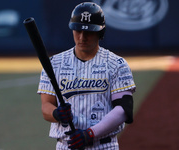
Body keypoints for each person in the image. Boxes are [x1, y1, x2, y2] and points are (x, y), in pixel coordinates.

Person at [37, 2, 136, 150]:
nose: (82, 37)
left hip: (104, 146)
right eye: (78, 30)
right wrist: (56, 113)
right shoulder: (54, 64)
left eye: (89, 32)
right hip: (66, 146)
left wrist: (90, 134)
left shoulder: (117, 64)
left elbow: (123, 109)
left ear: (100, 32)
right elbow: (46, 106)